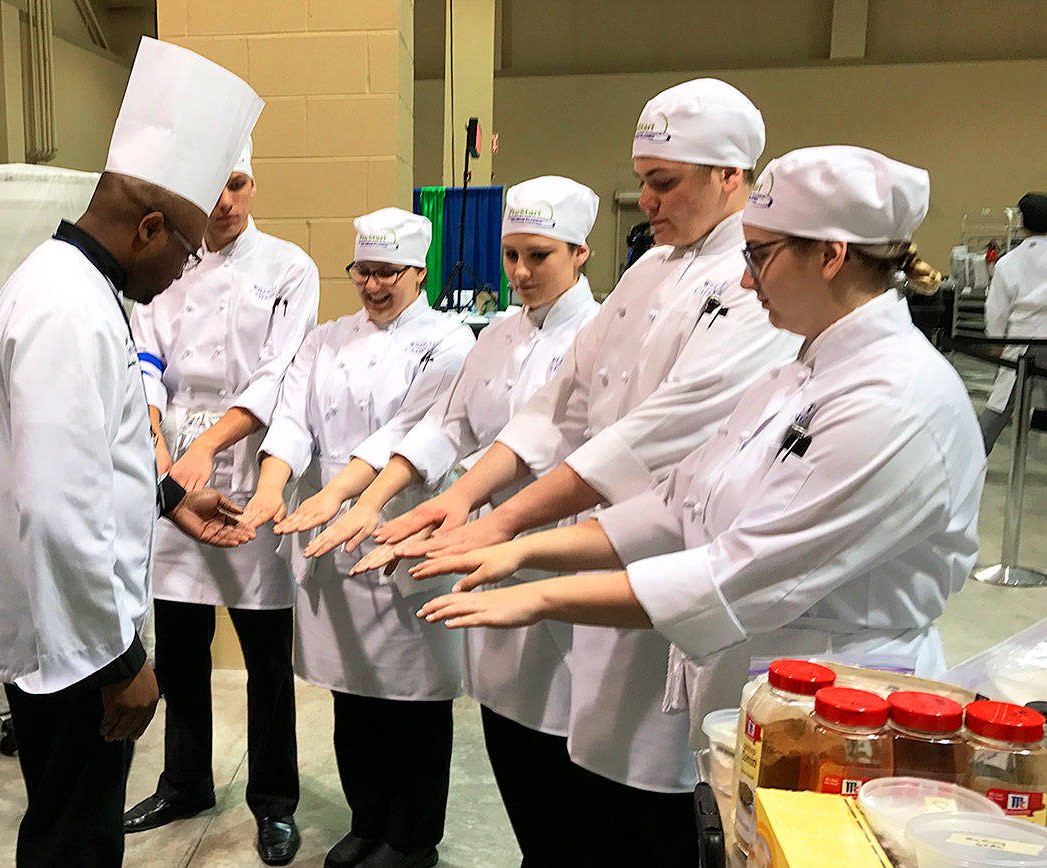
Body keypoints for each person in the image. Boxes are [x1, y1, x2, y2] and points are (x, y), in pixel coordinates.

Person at [415, 146, 983, 764]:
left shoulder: (894, 400)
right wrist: (522, 549)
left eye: (758, 256)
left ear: (830, 255)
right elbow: (677, 502)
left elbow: (741, 572)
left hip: (852, 706)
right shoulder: (795, 376)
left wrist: (540, 596)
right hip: (770, 693)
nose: (745, 280)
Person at [375, 78, 799, 866]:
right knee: (586, 783)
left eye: (663, 181)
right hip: (597, 541)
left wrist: (507, 522)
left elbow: (657, 432)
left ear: (730, 176)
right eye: (642, 179)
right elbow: (561, 406)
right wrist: (464, 499)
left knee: (655, 801)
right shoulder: (648, 272)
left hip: (672, 555)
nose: (646, 201)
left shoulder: (754, 289)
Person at [0, 39, 261, 868]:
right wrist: (121, 663)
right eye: (186, 248)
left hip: (74, 630)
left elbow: (92, 456)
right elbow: (58, 507)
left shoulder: (81, 289)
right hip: (73, 647)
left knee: (75, 825)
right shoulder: (67, 310)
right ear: (148, 225)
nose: (186, 268)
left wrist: (169, 497)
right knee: (75, 840)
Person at [300, 176, 599, 865]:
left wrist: (449, 502)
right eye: (511, 255)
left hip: (560, 551)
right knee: (506, 728)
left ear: (580, 253)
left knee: (563, 741)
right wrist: (371, 500)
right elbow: (444, 428)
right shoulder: (497, 337)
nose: (520, 272)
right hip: (479, 551)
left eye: (539, 256)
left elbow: (564, 449)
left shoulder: (601, 334)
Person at [246, 208, 475, 868]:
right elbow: (291, 420)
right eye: (362, 271)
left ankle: (411, 840)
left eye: (388, 273)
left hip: (404, 524)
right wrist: (272, 487)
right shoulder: (325, 339)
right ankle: (367, 820)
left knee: (414, 701)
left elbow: (408, 433)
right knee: (352, 696)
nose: (372, 285)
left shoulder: (449, 340)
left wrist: (339, 495)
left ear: (420, 272)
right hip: (328, 535)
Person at [121, 140, 319, 865]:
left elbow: (278, 373)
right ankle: (184, 782)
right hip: (174, 461)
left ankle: (274, 801)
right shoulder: (166, 264)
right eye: (212, 187)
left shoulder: (289, 269)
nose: (225, 202)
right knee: (179, 646)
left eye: (236, 184)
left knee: (265, 654)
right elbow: (144, 359)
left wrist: (207, 448)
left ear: (253, 183)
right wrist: (161, 451)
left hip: (249, 464)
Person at [979, 192, 1047, 453]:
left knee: (1000, 407)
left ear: (1021, 221)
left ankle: (971, 456)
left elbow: (996, 309)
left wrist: (997, 340)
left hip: (1022, 342)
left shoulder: (1009, 262)